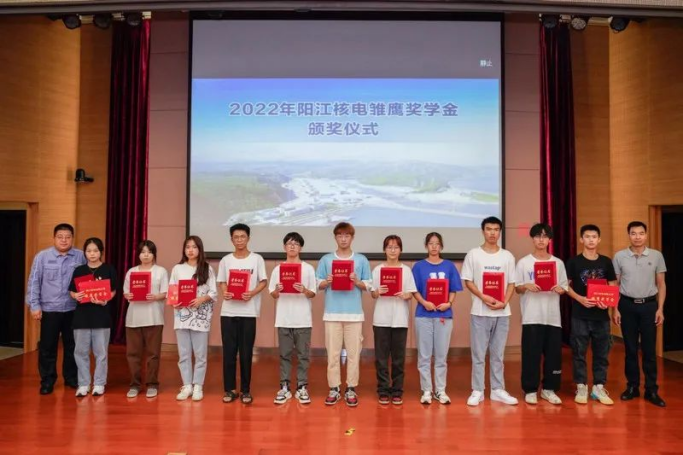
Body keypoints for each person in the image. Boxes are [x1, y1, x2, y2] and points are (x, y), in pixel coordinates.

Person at [461, 217, 518, 407]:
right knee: (478, 354)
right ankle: (477, 390)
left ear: (500, 232)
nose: (492, 233)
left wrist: (504, 302)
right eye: (488, 229)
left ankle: (497, 390)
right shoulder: (473, 254)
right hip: (480, 312)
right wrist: (483, 296)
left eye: (496, 229)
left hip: (502, 313)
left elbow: (511, 283)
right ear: (483, 231)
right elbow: (468, 281)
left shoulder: (507, 256)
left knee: (498, 354)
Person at [26, 223, 85, 395]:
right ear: (54, 238)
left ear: (72, 238)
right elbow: (34, 282)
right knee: (47, 347)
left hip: (73, 309)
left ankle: (71, 378)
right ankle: (47, 381)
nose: (64, 240)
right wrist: (34, 305)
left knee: (72, 346)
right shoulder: (42, 257)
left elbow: (89, 280)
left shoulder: (80, 256)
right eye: (60, 237)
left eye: (67, 237)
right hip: (49, 310)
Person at [316, 222, 371, 407]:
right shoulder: (326, 260)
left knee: (354, 354)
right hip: (332, 314)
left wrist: (357, 282)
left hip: (354, 315)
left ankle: (351, 388)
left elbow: (368, 285)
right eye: (340, 235)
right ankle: (334, 388)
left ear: (352, 238)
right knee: (332, 354)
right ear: (335, 237)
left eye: (347, 235)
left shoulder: (361, 260)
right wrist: (327, 281)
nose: (343, 239)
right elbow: (317, 284)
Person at [613, 221, 667, 407]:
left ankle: (651, 390)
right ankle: (632, 387)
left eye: (641, 233)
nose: (637, 237)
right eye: (633, 233)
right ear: (629, 235)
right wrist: (615, 308)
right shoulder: (619, 256)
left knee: (649, 350)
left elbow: (661, 284)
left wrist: (660, 309)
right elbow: (615, 285)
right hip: (626, 306)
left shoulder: (656, 256)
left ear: (646, 235)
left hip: (649, 306)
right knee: (630, 349)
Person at [515, 223, 568, 405]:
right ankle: (530, 390)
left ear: (549, 240)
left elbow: (564, 287)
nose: (541, 239)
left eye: (545, 236)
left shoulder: (558, 263)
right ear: (532, 238)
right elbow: (517, 288)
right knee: (531, 354)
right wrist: (526, 286)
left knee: (553, 355)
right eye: (538, 236)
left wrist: (561, 289)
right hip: (531, 316)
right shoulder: (524, 262)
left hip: (552, 317)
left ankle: (549, 389)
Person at [566, 224, 617, 405]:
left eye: (594, 237)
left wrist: (609, 303)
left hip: (601, 316)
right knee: (579, 352)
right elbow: (565, 285)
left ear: (599, 239)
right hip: (580, 314)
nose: (591, 240)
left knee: (602, 353)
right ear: (581, 239)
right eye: (587, 236)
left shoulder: (606, 262)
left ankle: (598, 387)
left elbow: (613, 285)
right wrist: (580, 298)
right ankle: (581, 386)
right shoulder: (573, 262)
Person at [217, 223, 267, 405]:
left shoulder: (257, 259)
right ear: (231, 239)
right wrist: (225, 291)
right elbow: (222, 281)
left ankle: (246, 390)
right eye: (236, 237)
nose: (239, 240)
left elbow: (263, 281)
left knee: (246, 353)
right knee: (229, 353)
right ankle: (230, 389)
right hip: (228, 312)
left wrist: (252, 293)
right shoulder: (225, 260)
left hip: (248, 312)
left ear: (248, 238)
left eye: (243, 237)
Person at [412, 232, 462, 405]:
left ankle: (440, 390)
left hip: (444, 315)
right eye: (431, 243)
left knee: (441, 356)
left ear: (441, 246)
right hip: (423, 315)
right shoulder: (418, 266)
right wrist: (424, 302)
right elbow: (414, 290)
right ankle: (426, 390)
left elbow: (453, 289)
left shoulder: (449, 266)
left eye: (437, 243)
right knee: (424, 355)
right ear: (426, 246)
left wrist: (449, 303)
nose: (434, 246)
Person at [269, 232, 317, 405]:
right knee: (285, 355)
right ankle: (285, 387)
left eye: (295, 244)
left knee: (303, 355)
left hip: (303, 319)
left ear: (300, 248)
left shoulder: (308, 269)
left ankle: (302, 387)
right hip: (284, 318)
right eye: (289, 243)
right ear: (284, 247)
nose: (292, 246)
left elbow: (313, 293)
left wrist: (304, 290)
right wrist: (277, 290)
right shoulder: (278, 269)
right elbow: (273, 294)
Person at [370, 235, 417, 405]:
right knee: (381, 358)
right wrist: (378, 292)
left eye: (396, 247)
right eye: (389, 247)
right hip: (381, 319)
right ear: (384, 250)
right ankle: (383, 390)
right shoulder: (378, 270)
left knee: (398, 358)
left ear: (400, 250)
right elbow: (373, 293)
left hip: (400, 319)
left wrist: (406, 295)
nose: (392, 250)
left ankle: (397, 390)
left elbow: (411, 293)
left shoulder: (406, 270)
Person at [170, 235, 217, 402]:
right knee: (183, 354)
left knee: (200, 354)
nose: (190, 250)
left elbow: (213, 292)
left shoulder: (207, 268)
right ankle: (187, 385)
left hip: (200, 318)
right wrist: (174, 301)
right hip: (182, 317)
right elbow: (172, 291)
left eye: (194, 247)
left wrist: (201, 299)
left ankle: (198, 385)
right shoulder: (177, 269)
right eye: (188, 247)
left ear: (200, 249)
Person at [68, 238, 118, 397]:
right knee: (80, 352)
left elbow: (113, 291)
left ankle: (99, 383)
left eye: (95, 251)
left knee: (101, 353)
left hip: (101, 316)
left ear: (101, 252)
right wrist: (75, 295)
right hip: (81, 316)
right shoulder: (79, 270)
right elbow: (72, 290)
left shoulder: (108, 269)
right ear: (85, 253)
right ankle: (83, 384)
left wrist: (105, 299)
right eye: (89, 251)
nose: (92, 254)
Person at [122, 240, 168, 398]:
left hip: (154, 317)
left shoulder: (160, 271)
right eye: (143, 252)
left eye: (149, 252)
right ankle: (135, 384)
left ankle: (152, 384)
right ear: (138, 254)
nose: (146, 255)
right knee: (133, 353)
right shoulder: (131, 272)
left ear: (154, 254)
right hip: (134, 318)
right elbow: (126, 292)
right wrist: (128, 295)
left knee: (153, 354)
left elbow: (165, 293)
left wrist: (155, 296)